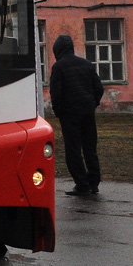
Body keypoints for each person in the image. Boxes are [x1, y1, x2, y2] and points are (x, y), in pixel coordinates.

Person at [48, 34, 104, 196]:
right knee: (90, 147)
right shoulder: (86, 64)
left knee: (73, 149)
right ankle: (94, 182)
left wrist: (59, 111)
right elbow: (98, 88)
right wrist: (93, 103)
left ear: (57, 50)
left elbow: (56, 93)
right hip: (87, 110)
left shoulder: (59, 67)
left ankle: (81, 184)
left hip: (70, 113)